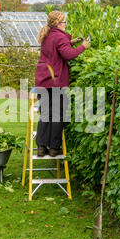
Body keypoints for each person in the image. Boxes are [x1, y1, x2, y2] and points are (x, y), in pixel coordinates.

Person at [34, 10, 90, 157]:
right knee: (57, 114)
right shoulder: (59, 37)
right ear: (57, 23)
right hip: (56, 81)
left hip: (43, 80)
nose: (65, 24)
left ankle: (41, 147)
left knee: (45, 113)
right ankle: (54, 148)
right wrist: (83, 46)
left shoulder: (48, 35)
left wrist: (71, 42)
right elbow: (68, 54)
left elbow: (57, 49)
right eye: (64, 22)